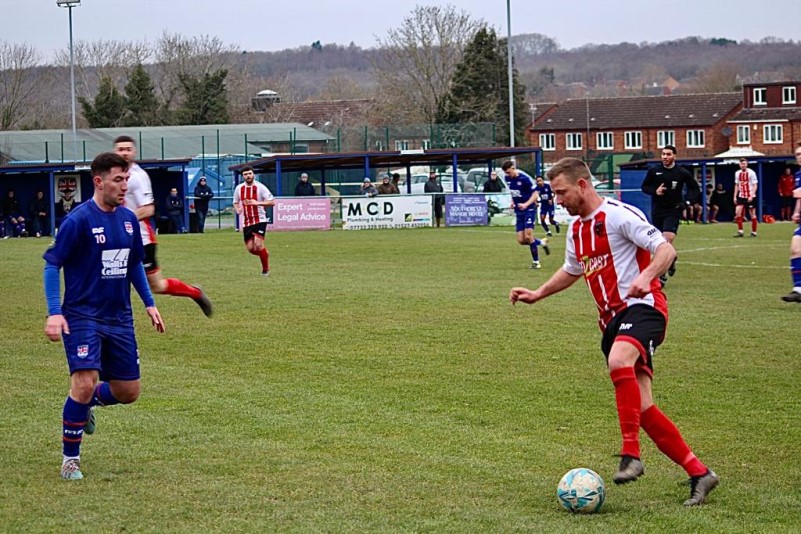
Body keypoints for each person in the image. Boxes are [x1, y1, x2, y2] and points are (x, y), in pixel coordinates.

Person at [510, 157, 719, 506]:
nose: (558, 200)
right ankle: (700, 473)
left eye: (561, 193)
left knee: (620, 360)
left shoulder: (620, 215)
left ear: (582, 185)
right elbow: (571, 270)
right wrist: (537, 294)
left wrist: (644, 276)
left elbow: (666, 250)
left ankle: (631, 455)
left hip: (643, 308)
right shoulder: (577, 229)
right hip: (610, 322)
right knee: (644, 407)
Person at [43, 152, 166, 480]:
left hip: (119, 318)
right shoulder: (78, 220)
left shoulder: (128, 219)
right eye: (118, 180)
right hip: (82, 316)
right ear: (98, 182)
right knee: (84, 382)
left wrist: (149, 303)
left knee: (129, 392)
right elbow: (52, 264)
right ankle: (71, 459)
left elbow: (134, 264)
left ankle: (88, 404)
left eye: (126, 179)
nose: (125, 186)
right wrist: (54, 313)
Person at [113, 135, 212, 317]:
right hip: (117, 239)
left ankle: (194, 292)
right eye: (120, 149)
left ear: (134, 152)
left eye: (128, 149)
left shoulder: (138, 177)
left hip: (141, 240)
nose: (124, 153)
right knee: (113, 279)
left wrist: (119, 222)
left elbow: (148, 209)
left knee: (157, 285)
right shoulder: (112, 174)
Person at [640, 145, 699, 285]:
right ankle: (671, 259)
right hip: (658, 211)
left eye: (668, 154)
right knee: (659, 244)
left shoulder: (682, 172)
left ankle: (661, 275)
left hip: (674, 210)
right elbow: (645, 187)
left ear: (675, 156)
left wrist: (687, 202)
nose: (665, 157)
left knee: (666, 240)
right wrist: (655, 191)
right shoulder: (654, 171)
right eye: (663, 154)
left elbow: (695, 188)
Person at [502, 160, 549, 268]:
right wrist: (513, 202)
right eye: (506, 173)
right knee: (521, 240)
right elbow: (514, 193)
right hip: (519, 211)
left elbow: (535, 194)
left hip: (529, 210)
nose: (508, 175)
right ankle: (541, 242)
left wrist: (526, 204)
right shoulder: (508, 179)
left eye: (509, 172)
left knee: (528, 235)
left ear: (513, 168)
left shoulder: (525, 179)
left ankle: (536, 262)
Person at [233, 165, 275, 276]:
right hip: (247, 221)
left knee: (258, 244)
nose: (248, 176)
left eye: (250, 173)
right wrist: (237, 209)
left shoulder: (260, 187)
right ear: (243, 176)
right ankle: (264, 254)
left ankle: (265, 270)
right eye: (245, 174)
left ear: (253, 174)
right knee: (251, 248)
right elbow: (235, 201)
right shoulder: (239, 188)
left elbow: (272, 202)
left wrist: (257, 203)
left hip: (260, 219)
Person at [781, 146, 801, 303]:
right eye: (797, 154)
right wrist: (796, 212)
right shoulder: (798, 175)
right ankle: (798, 289)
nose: (799, 156)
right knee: (795, 249)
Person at [733, 157, 759, 238]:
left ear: (747, 164)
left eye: (744, 164)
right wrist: (735, 196)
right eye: (741, 164)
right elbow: (737, 185)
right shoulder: (737, 173)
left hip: (750, 196)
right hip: (741, 196)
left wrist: (751, 195)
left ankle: (754, 232)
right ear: (739, 165)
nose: (743, 165)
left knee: (752, 214)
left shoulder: (751, 173)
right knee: (737, 212)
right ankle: (740, 231)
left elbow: (755, 185)